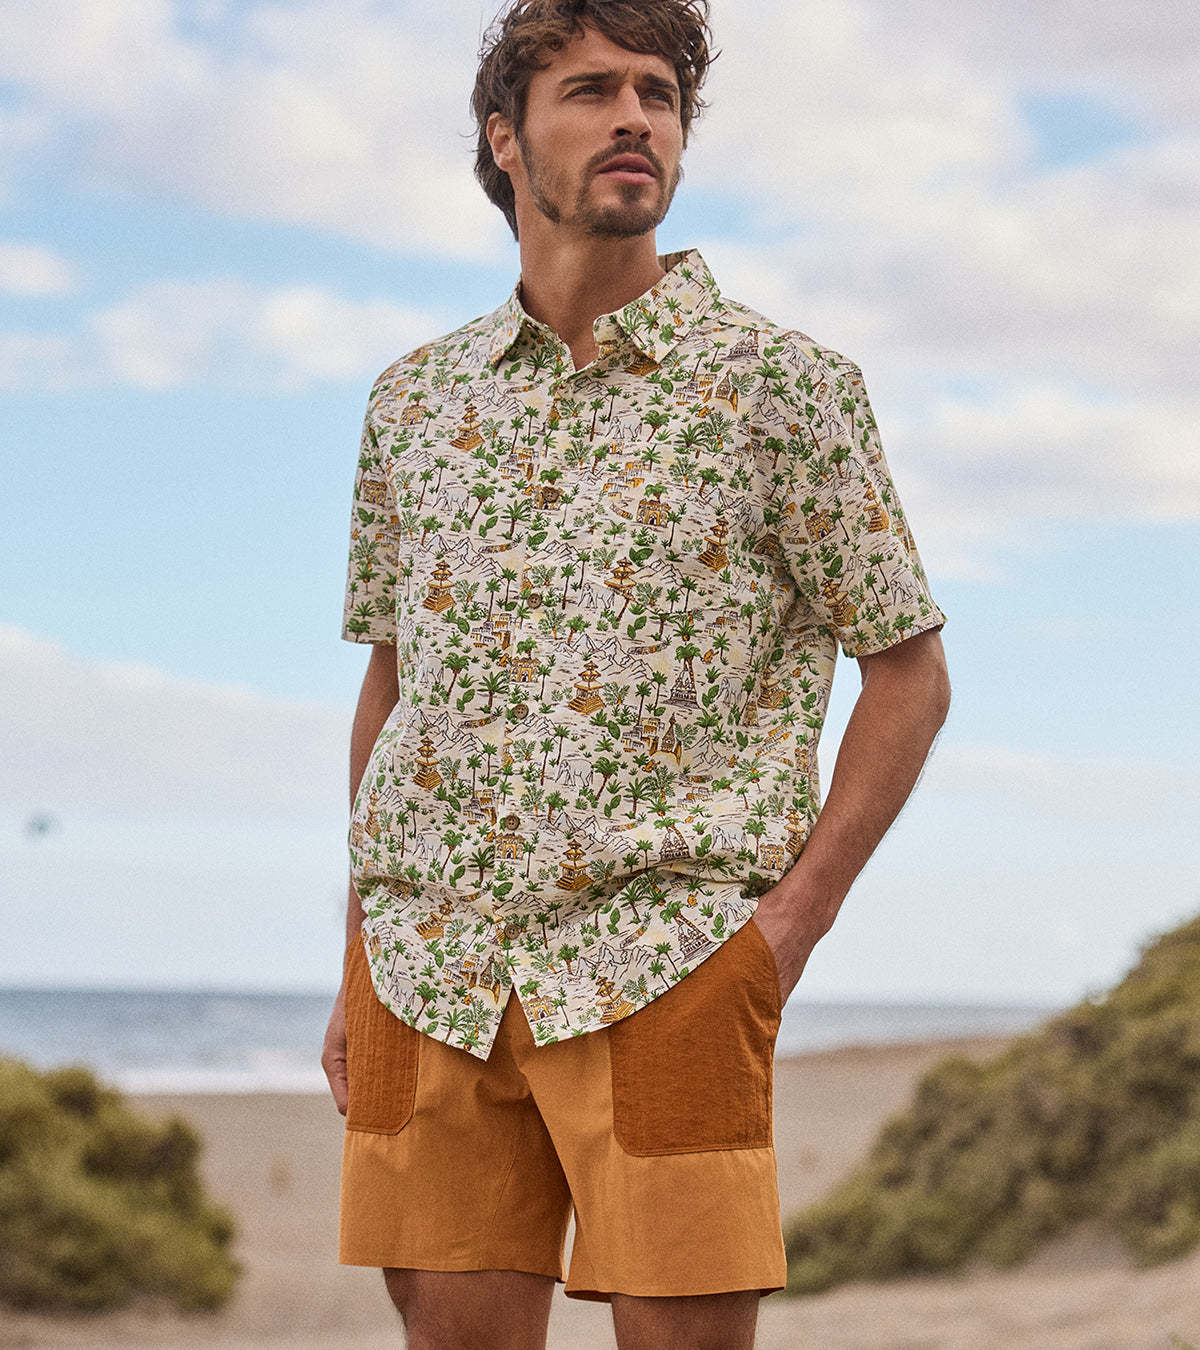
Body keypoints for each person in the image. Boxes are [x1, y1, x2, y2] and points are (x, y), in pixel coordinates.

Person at [322, 1, 950, 1345]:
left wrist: (781, 933)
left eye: (659, 95)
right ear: (507, 139)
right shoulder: (415, 405)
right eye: (592, 89)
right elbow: (393, 684)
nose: (635, 118)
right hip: (430, 969)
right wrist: (357, 947)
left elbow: (909, 670)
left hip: (666, 956)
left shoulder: (785, 388)